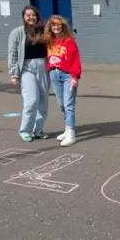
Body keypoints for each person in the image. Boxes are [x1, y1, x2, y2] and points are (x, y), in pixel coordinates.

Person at [7, 6, 50, 142]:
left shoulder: (44, 32)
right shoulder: (17, 33)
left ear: (37, 17)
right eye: (28, 15)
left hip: (43, 66)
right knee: (31, 100)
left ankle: (38, 129)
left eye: (33, 15)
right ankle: (25, 130)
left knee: (43, 100)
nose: (31, 17)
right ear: (24, 17)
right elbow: (12, 54)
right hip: (26, 67)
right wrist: (14, 74)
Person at [44, 15, 82, 147]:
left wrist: (74, 77)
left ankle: (71, 133)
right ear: (50, 27)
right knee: (61, 104)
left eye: (58, 25)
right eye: (53, 25)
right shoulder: (49, 41)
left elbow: (75, 60)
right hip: (54, 74)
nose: (56, 27)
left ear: (62, 26)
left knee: (69, 104)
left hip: (67, 75)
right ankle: (67, 129)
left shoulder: (69, 41)